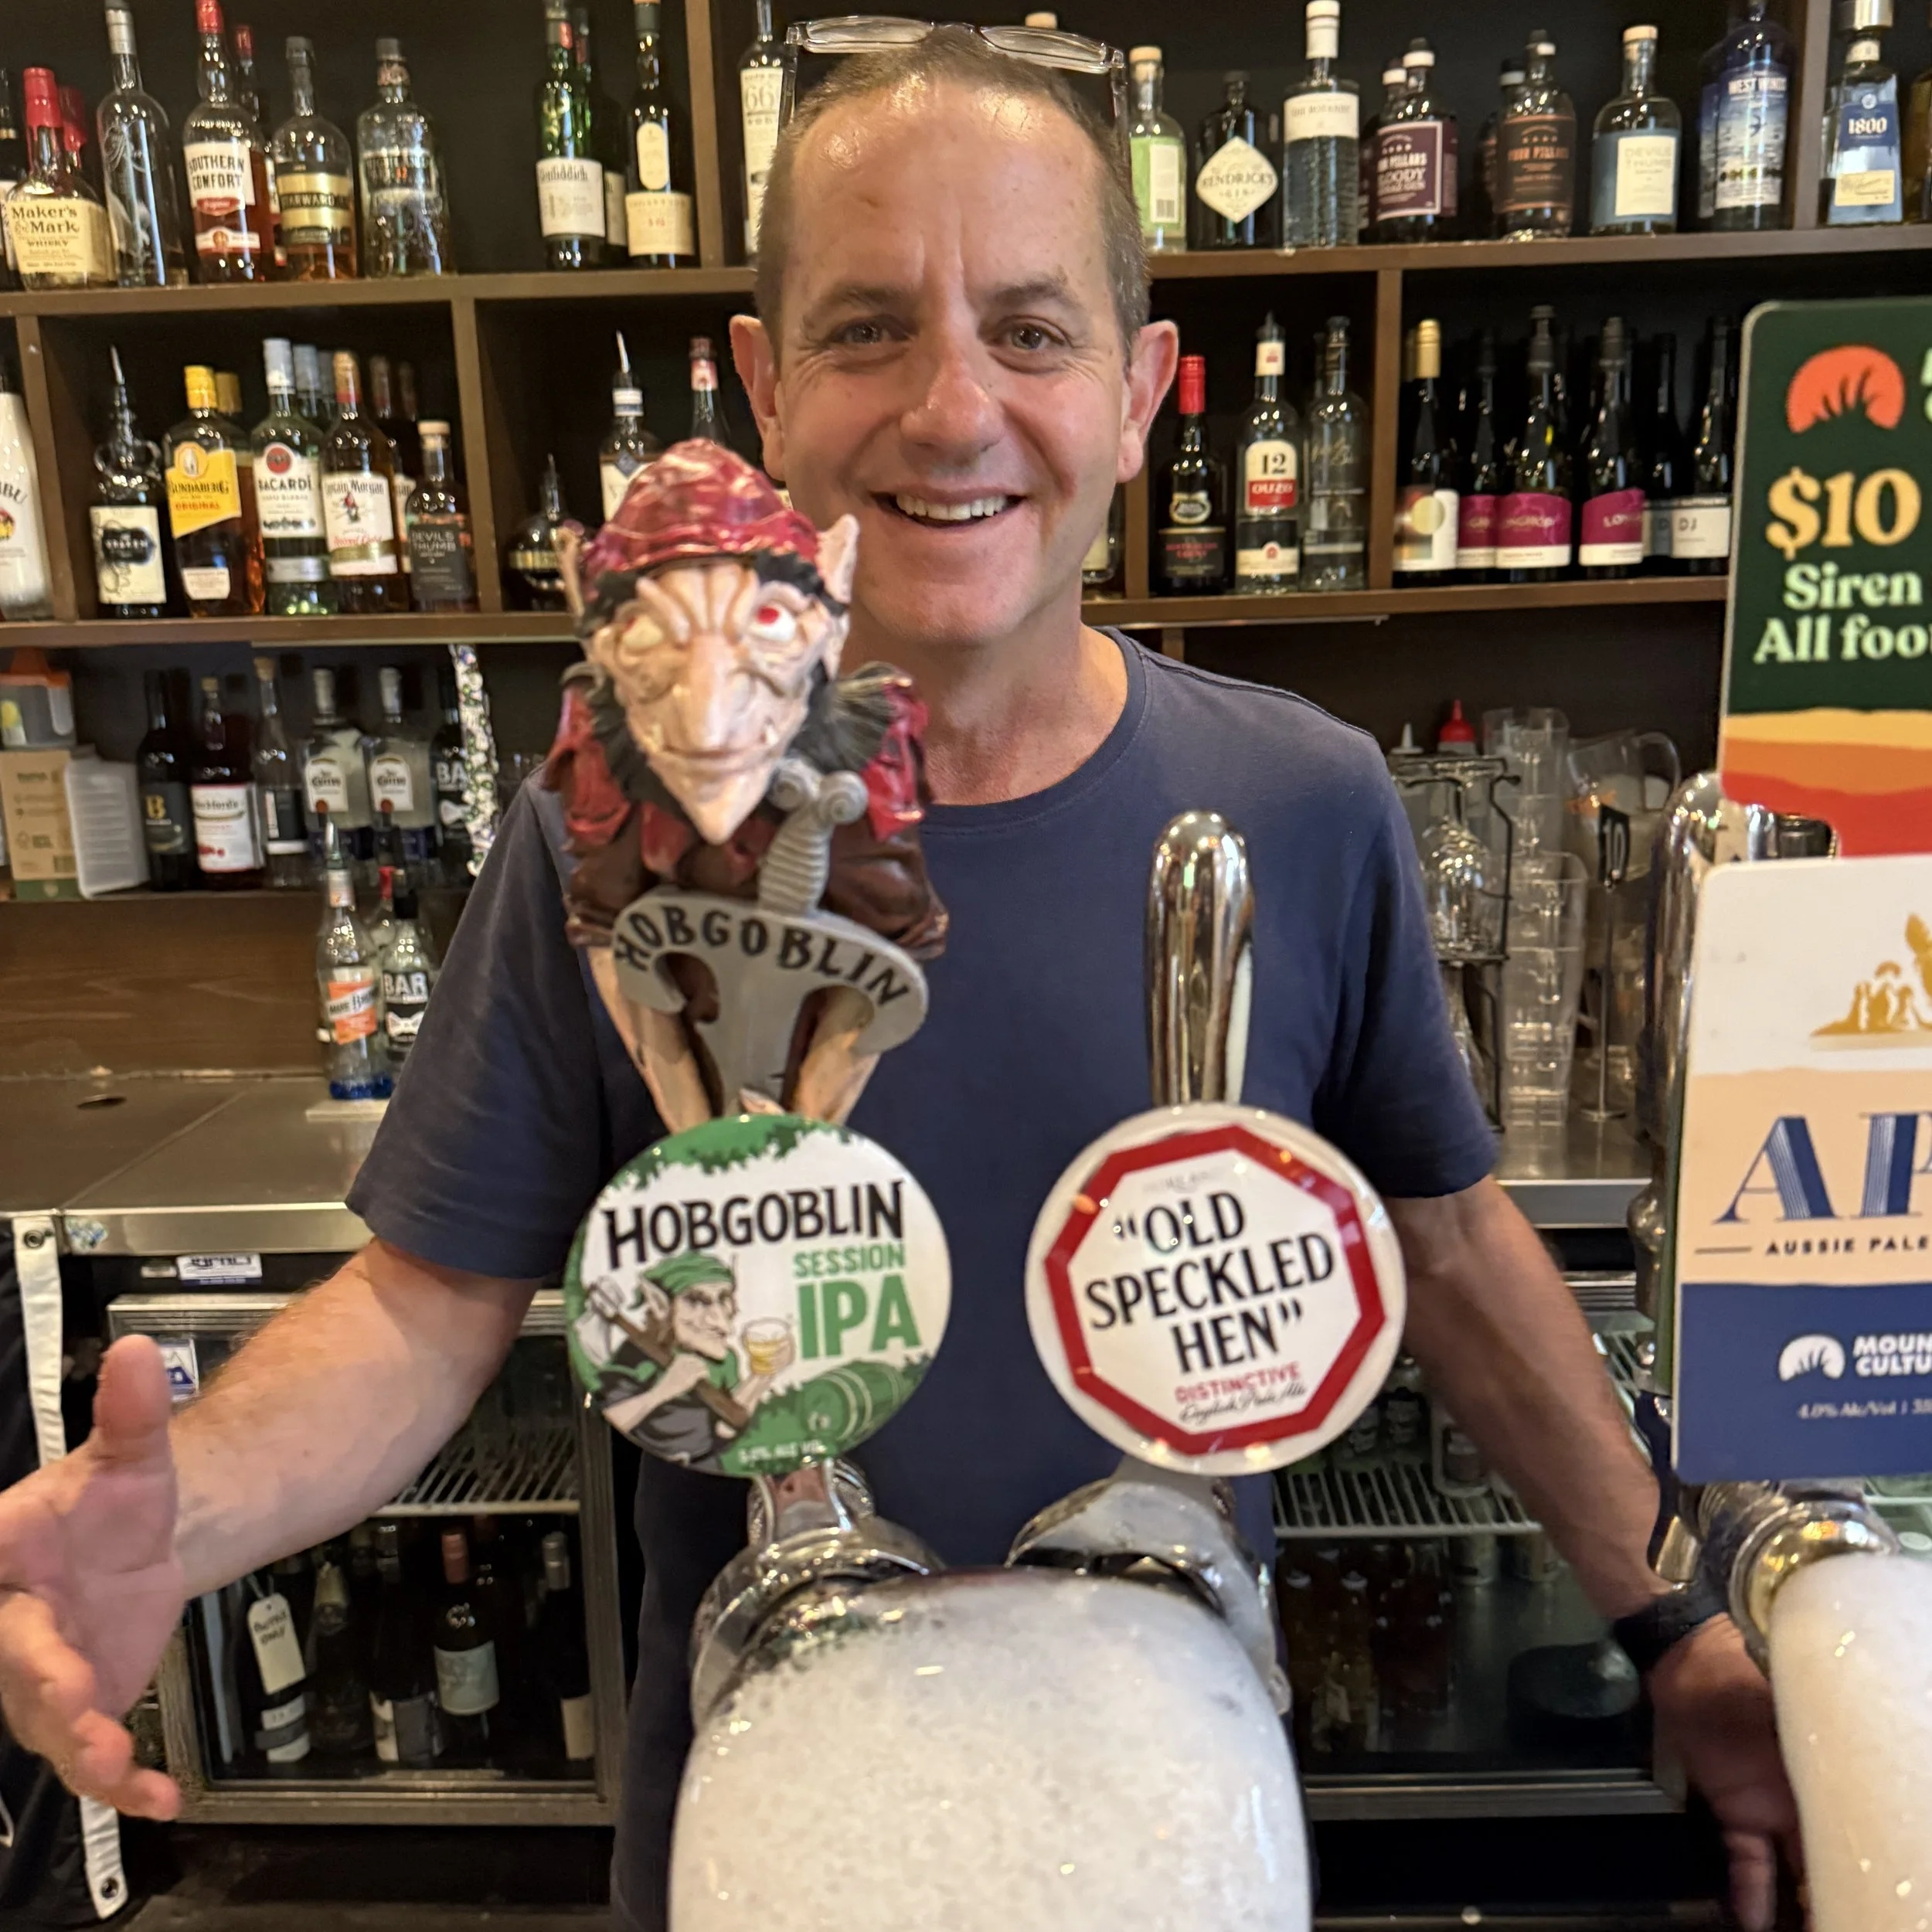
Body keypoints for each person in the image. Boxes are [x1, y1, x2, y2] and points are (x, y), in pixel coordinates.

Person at [0, 30, 1797, 1932]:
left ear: (1141, 394)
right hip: (773, 1830)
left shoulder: (1302, 801)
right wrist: (163, 1521)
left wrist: (1673, 1619)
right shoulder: (618, 831)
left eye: (1029, 331)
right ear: (763, 387)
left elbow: (1441, 1246)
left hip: (1170, 1817)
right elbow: (432, 1301)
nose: (952, 409)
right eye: (867, 330)